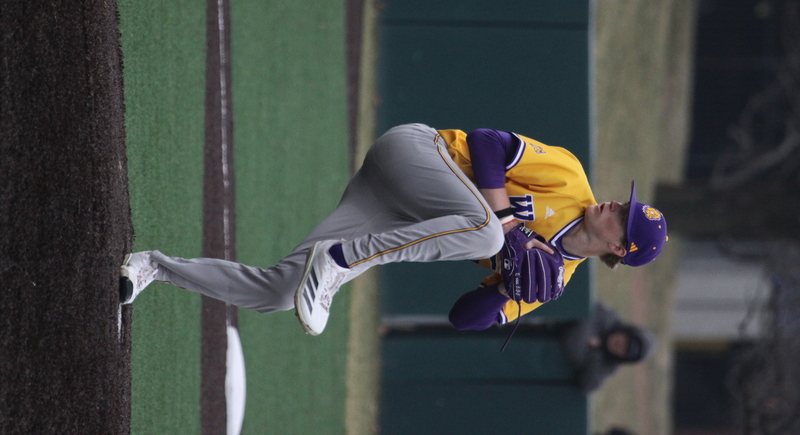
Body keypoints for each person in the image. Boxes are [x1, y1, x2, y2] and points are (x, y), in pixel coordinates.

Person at [120, 123, 668, 337]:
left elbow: (463, 318)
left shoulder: (553, 280)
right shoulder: (570, 177)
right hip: (415, 154)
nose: (616, 203)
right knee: (489, 234)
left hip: (389, 211)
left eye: (624, 215)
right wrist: (506, 223)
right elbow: (485, 141)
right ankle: (339, 262)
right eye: (627, 201)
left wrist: (506, 287)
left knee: (280, 294)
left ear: (618, 248)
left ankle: (154, 267)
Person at [558, 302, 656, 392]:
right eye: (626, 341)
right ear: (625, 331)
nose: (620, 345)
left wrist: (598, 349)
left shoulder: (606, 366)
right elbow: (574, 338)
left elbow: (589, 384)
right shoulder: (606, 317)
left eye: (624, 350)